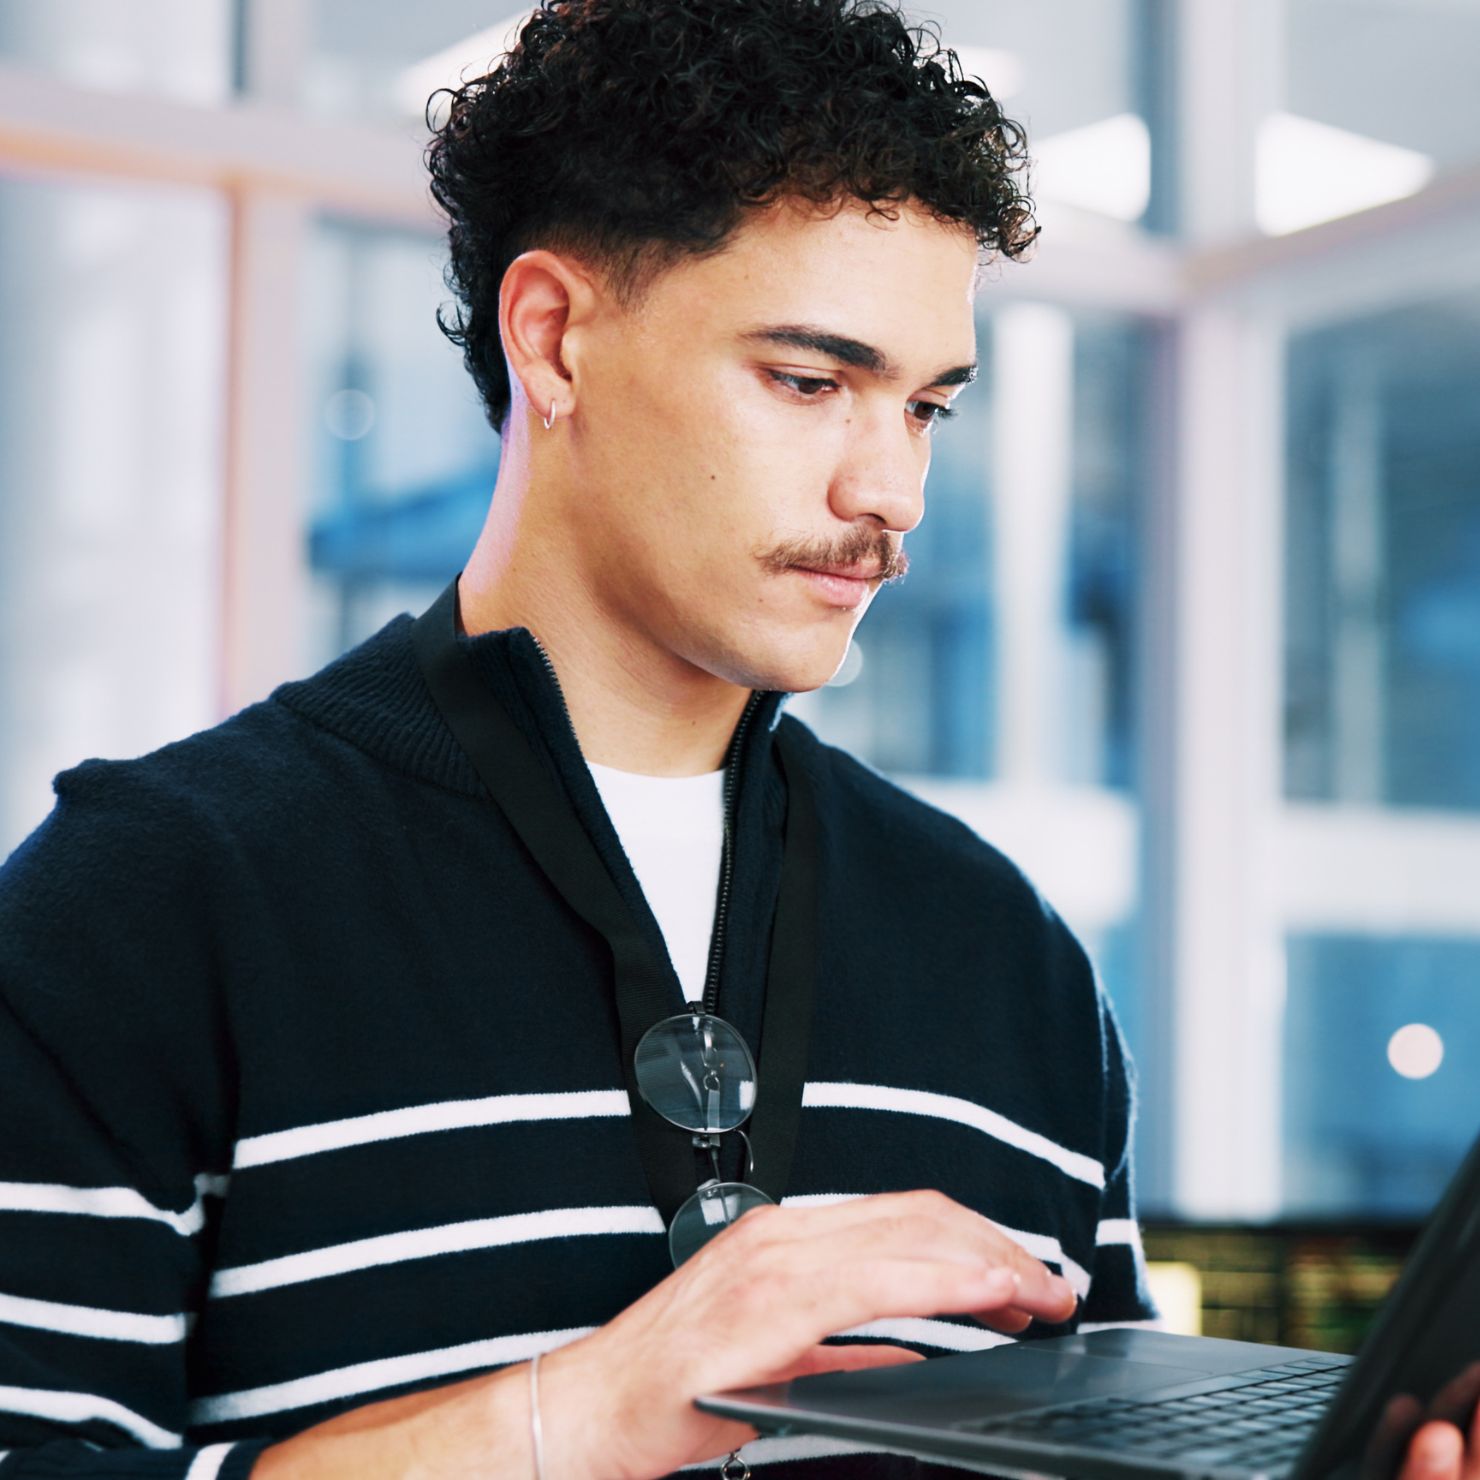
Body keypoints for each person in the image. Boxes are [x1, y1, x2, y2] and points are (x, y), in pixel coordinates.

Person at [0, 3, 1472, 1479]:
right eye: (811, 382)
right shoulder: (146, 899)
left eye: (928, 407)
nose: (889, 489)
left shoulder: (1006, 954)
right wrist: (577, 1412)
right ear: (555, 336)